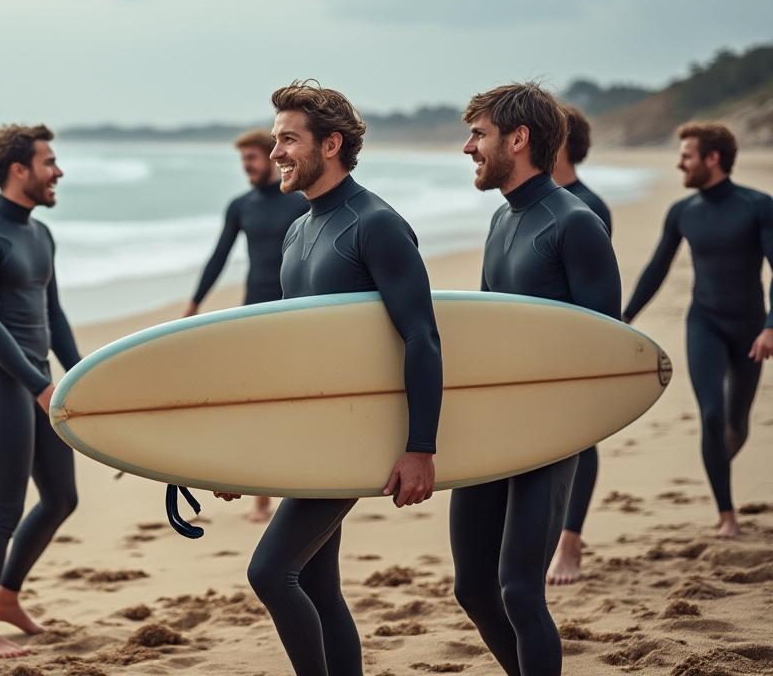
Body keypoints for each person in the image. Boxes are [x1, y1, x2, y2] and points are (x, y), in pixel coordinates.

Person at [218, 81, 442, 676]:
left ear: (332, 144)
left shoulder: (376, 225)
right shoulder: (299, 230)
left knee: (269, 572)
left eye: (289, 140)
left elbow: (422, 337)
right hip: (318, 434)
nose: (276, 154)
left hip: (358, 435)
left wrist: (420, 447)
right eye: (274, 141)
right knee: (316, 583)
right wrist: (250, 455)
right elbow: (295, 360)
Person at [455, 82, 620, 675]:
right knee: (473, 588)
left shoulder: (574, 224)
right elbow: (485, 329)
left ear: (518, 139)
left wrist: (566, 434)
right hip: (491, 430)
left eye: (479, 134)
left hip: (548, 435)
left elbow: (609, 351)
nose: (469, 147)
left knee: (521, 591)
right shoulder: (502, 219)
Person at [0, 124, 82, 659]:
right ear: (18, 170)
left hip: (39, 383)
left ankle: (6, 598)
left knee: (61, 498)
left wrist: (86, 379)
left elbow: (52, 317)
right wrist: (38, 384)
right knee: (3, 509)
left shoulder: (39, 234)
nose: (57, 171)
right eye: (49, 162)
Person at [623, 122, 773, 539]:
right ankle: (726, 513)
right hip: (703, 321)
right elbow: (657, 269)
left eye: (687, 156)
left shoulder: (758, 206)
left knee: (736, 423)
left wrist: (770, 326)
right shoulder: (683, 213)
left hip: (749, 327)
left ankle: (718, 468)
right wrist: (624, 317)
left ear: (713, 158)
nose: (679, 163)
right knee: (710, 414)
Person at [184, 128, 307, 522]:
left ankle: (292, 482)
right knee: (253, 400)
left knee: (289, 400)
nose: (248, 167)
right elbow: (219, 256)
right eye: (243, 162)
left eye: (252, 159)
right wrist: (194, 303)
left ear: (269, 157)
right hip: (253, 312)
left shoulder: (300, 202)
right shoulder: (241, 206)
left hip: (291, 312)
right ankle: (260, 496)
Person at [546, 103, 613, 586]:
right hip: (537, 356)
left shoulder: (587, 207)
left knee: (579, 441)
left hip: (573, 350)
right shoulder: (525, 206)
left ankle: (571, 540)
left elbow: (597, 289)